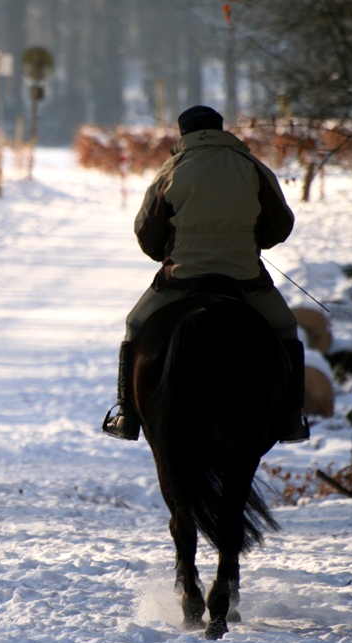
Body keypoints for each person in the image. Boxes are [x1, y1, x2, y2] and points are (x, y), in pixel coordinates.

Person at [102, 105, 310, 443]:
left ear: (183, 134)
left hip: (182, 278)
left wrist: (169, 254)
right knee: (286, 327)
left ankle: (127, 414)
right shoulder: (252, 167)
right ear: (220, 129)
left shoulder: (172, 169)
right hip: (244, 277)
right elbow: (281, 225)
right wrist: (252, 241)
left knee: (135, 324)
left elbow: (146, 232)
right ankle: (291, 418)